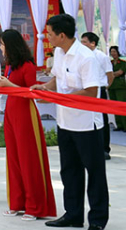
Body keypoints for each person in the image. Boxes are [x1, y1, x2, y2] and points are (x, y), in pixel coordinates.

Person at [33, 13, 108, 230]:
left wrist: (63, 97)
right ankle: (73, 215)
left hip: (86, 125)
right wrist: (45, 89)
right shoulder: (59, 52)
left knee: (94, 173)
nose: (47, 38)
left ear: (62, 35)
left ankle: (97, 220)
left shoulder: (86, 57)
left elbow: (92, 91)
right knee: (69, 171)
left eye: (49, 34)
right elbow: (58, 78)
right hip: (65, 122)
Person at [0, 29, 56, 221]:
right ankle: (17, 203)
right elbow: (9, 86)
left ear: (11, 45)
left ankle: (35, 207)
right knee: (14, 159)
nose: (0, 48)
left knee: (28, 160)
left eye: (2, 44)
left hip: (25, 113)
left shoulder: (27, 65)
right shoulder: (10, 64)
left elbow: (31, 91)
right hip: (10, 112)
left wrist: (8, 85)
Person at [81, 32, 113, 160]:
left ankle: (105, 148)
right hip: (87, 90)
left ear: (93, 43)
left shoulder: (101, 56)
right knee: (88, 118)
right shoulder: (82, 56)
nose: (82, 44)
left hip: (100, 89)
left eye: (84, 42)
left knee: (102, 120)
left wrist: (105, 87)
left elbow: (110, 75)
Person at [110, 46, 126, 131]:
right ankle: (119, 124)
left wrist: (111, 74)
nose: (113, 53)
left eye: (114, 51)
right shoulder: (110, 63)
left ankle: (125, 125)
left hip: (121, 87)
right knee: (114, 106)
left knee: (122, 105)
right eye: (111, 52)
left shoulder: (123, 63)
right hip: (111, 87)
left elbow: (120, 72)